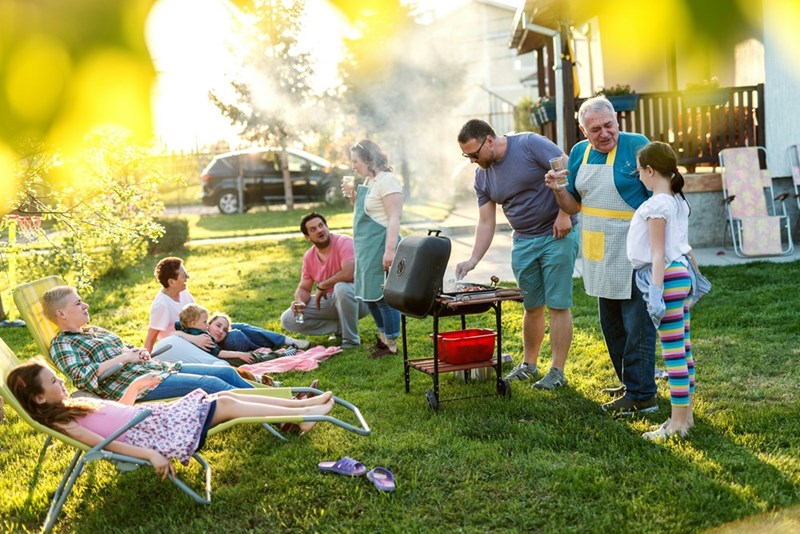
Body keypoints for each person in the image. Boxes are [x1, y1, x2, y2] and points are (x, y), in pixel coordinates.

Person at [8, 360, 334, 477]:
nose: (61, 381)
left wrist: (134, 387)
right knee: (229, 405)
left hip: (155, 418)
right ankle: (303, 413)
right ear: (38, 398)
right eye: (53, 382)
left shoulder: (71, 405)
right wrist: (151, 454)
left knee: (226, 397)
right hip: (156, 434)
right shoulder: (63, 422)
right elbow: (103, 443)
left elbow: (116, 413)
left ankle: (302, 411)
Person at [545, 96, 658, 415]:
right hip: (598, 248)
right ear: (583, 130)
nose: (605, 133)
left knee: (638, 323)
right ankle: (630, 383)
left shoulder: (638, 145)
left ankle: (643, 395)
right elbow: (574, 206)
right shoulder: (580, 153)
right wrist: (557, 190)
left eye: (609, 125)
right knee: (612, 324)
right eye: (595, 129)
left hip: (634, 247)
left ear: (617, 120)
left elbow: (661, 195)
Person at [455, 119, 580, 390]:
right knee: (531, 305)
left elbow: (566, 169)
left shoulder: (528, 144)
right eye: (467, 157)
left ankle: (557, 371)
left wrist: (564, 213)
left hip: (556, 234)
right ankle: (529, 365)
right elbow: (486, 222)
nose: (473, 161)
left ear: (489, 139)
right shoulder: (482, 176)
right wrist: (473, 259)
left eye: (475, 154)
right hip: (523, 241)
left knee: (558, 304)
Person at [44, 285, 256, 402]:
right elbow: (82, 377)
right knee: (213, 385)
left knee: (225, 372)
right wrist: (125, 357)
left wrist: (136, 352)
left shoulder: (94, 331)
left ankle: (275, 401)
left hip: (155, 369)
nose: (86, 305)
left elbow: (126, 348)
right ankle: (275, 412)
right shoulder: (62, 344)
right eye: (78, 303)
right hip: (137, 385)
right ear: (61, 313)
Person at [627, 141, 700, 439]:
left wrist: (655, 293)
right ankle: (687, 419)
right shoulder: (676, 200)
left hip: (666, 278)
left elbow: (658, 254)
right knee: (684, 349)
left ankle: (677, 425)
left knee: (674, 356)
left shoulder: (657, 204)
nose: (639, 177)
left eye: (640, 172)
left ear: (649, 170)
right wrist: (695, 276)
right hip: (679, 274)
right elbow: (684, 247)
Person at [144, 257, 307, 362]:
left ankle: (285, 341)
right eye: (183, 276)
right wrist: (148, 362)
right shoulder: (162, 305)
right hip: (192, 346)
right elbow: (152, 339)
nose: (188, 278)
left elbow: (197, 316)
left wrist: (214, 324)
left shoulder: (183, 292)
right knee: (235, 336)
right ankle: (266, 353)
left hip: (202, 336)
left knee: (237, 326)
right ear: (172, 282)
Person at [342, 140, 403, 358]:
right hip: (367, 248)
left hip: (381, 245)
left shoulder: (388, 181)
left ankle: (392, 344)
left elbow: (394, 217)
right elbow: (369, 211)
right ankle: (383, 338)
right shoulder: (371, 180)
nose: (353, 166)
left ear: (368, 160)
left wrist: (390, 251)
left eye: (355, 161)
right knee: (370, 296)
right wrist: (352, 195)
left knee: (383, 296)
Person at [280, 212, 370, 348]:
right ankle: (340, 328)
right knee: (288, 319)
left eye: (321, 226)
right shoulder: (309, 256)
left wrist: (323, 285)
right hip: (331, 301)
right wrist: (299, 302)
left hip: (359, 299)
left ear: (327, 227)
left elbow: (349, 273)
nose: (319, 230)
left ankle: (351, 341)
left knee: (341, 287)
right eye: (313, 229)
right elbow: (304, 288)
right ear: (307, 237)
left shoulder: (344, 242)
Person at [177, 304, 259, 366]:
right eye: (205, 322)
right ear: (193, 323)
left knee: (242, 327)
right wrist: (239, 354)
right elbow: (219, 353)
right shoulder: (204, 337)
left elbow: (177, 324)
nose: (207, 325)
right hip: (211, 362)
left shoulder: (183, 328)